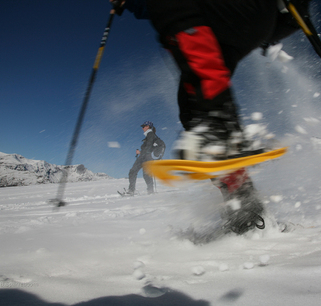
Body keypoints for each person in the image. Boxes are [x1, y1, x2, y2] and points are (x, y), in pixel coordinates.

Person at [111, 0, 310, 234]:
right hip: (245, 23)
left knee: (173, 16)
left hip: (244, 13)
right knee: (192, 105)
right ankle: (246, 210)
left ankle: (217, 130)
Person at [125, 121, 157, 195]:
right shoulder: (149, 135)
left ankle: (134, 190)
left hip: (146, 157)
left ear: (147, 127)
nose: (142, 128)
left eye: (143, 126)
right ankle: (134, 190)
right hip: (145, 157)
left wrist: (140, 152)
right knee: (139, 173)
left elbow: (149, 148)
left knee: (138, 173)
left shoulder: (150, 134)